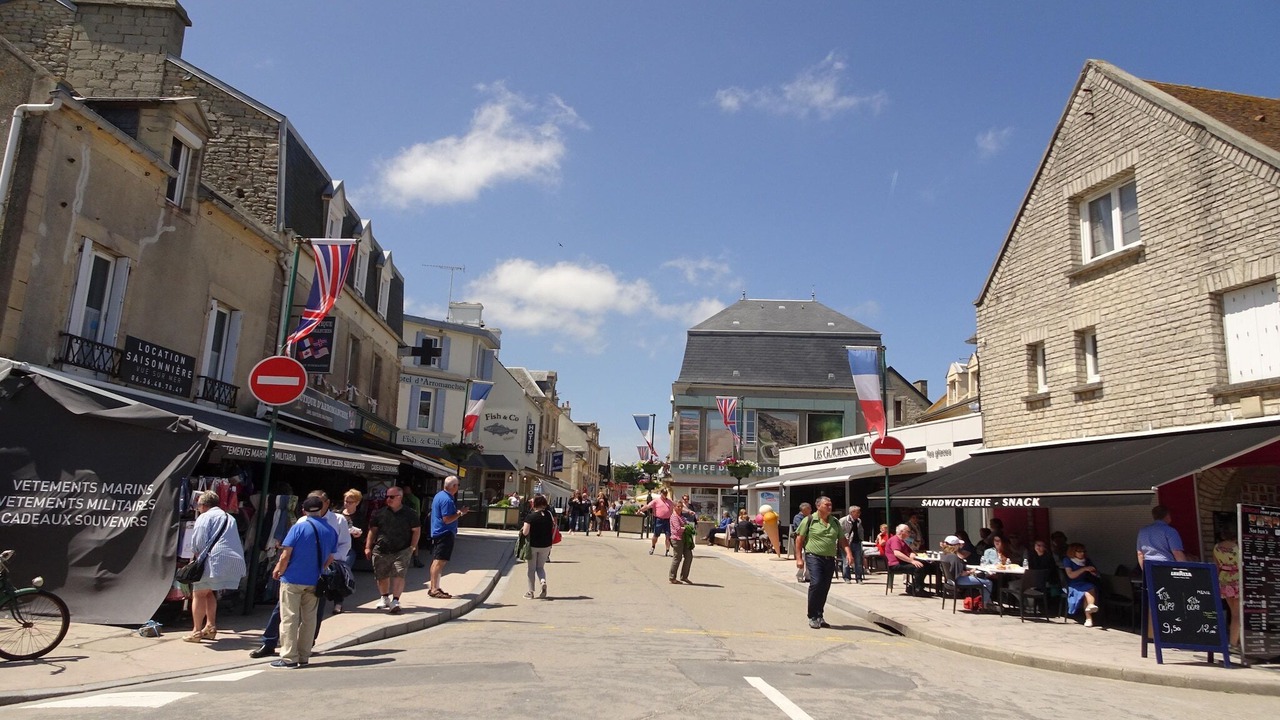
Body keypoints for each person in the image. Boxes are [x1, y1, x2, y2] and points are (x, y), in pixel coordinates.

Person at [270, 495, 337, 668]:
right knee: (309, 618)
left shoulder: (298, 528)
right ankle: (304, 655)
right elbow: (330, 558)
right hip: (314, 579)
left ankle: (289, 657)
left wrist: (279, 569)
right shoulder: (330, 530)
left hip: (292, 578)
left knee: (289, 617)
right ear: (322, 508)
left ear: (303, 510)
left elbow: (286, 554)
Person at [184, 490, 246, 643]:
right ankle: (210, 626)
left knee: (198, 593)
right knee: (210, 592)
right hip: (231, 559)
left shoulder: (205, 517)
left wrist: (195, 556)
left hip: (213, 559)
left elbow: (198, 540)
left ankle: (196, 631)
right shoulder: (229, 517)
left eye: (198, 506)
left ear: (203, 505)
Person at [794, 496, 854, 629]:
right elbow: (799, 539)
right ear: (818, 506)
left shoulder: (835, 522)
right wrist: (799, 558)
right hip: (814, 557)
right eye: (827, 505)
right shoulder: (809, 520)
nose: (830, 507)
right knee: (816, 583)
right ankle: (812, 616)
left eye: (830, 504)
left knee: (824, 587)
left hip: (830, 558)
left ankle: (820, 615)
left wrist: (849, 553)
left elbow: (842, 539)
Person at [365, 485, 420, 614]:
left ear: (400, 497)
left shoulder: (410, 513)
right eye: (387, 496)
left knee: (399, 574)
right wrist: (368, 547)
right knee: (381, 575)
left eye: (391, 497)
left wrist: (412, 547)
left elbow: (416, 531)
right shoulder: (380, 513)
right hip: (382, 549)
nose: (388, 499)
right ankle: (384, 597)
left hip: (402, 549)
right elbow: (372, 531)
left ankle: (396, 600)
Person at [429, 475, 470, 599]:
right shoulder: (447, 499)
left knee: (437, 560)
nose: (458, 487)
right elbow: (447, 519)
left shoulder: (439, 495)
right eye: (457, 485)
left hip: (439, 531)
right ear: (453, 486)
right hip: (444, 532)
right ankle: (434, 588)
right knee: (439, 561)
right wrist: (460, 513)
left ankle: (434, 586)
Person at [334, 489, 365, 613]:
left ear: (357, 503)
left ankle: (338, 603)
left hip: (349, 549)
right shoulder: (336, 513)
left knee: (343, 571)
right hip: (334, 546)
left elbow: (364, 533)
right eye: (346, 501)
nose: (347, 504)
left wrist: (358, 534)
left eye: (350, 502)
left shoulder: (359, 517)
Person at [940, 535, 992, 606]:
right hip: (959, 580)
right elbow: (961, 573)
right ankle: (985, 604)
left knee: (980, 581)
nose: (961, 546)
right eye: (959, 544)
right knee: (988, 582)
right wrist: (971, 571)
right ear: (955, 546)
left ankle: (983, 602)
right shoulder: (954, 557)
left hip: (950, 581)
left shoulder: (943, 555)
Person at [521, 494, 555, 599]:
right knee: (540, 567)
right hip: (546, 545)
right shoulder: (549, 514)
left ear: (534, 504)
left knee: (531, 569)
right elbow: (553, 526)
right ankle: (543, 581)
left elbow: (525, 532)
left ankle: (530, 592)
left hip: (533, 545)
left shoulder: (531, 516)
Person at [1213, 525, 1241, 650]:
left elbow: (1216, 566)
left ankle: (1235, 641)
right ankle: (1234, 643)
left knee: (1232, 612)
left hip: (1224, 580)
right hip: (1237, 580)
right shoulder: (1238, 548)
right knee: (1237, 614)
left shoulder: (1217, 548)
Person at [1062, 542, 1101, 628]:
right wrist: (1084, 569)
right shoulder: (1067, 560)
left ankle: (1090, 607)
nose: (1082, 553)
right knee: (1087, 589)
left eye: (1083, 551)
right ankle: (1089, 617)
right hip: (1072, 584)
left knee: (1089, 588)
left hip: (1084, 582)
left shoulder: (1086, 560)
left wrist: (1093, 571)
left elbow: (1096, 573)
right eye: (1079, 551)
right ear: (1073, 552)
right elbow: (1070, 575)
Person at [1136, 505, 1187, 569]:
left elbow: (1140, 554)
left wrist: (1145, 571)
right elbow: (1177, 552)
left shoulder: (1142, 532)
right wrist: (1186, 570)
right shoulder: (1170, 531)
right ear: (1167, 515)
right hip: (1166, 567)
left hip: (1149, 567)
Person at [885, 523, 927, 596]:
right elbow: (897, 553)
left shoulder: (902, 541)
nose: (909, 533)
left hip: (903, 563)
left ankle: (914, 587)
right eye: (908, 531)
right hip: (895, 565)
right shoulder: (895, 540)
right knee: (919, 568)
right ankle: (918, 590)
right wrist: (912, 561)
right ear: (901, 532)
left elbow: (911, 552)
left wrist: (912, 556)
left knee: (926, 565)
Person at [640, 488, 675, 556]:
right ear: (661, 493)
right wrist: (640, 510)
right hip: (659, 519)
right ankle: (653, 546)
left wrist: (688, 511)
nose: (665, 494)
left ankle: (667, 550)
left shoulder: (669, 501)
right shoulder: (656, 501)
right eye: (664, 493)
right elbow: (648, 506)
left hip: (667, 520)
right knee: (656, 535)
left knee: (668, 536)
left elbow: (677, 506)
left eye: (666, 493)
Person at [668, 500, 696, 584]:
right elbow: (678, 529)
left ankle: (684, 577)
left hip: (684, 539)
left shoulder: (681, 516)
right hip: (677, 539)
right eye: (678, 506)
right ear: (674, 507)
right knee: (677, 558)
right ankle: (672, 577)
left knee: (689, 557)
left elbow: (686, 523)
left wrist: (688, 526)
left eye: (681, 507)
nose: (680, 508)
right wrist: (686, 528)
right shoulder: (674, 517)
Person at [839, 505, 866, 584]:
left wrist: (861, 539)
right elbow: (840, 532)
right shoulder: (843, 520)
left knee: (858, 561)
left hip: (857, 543)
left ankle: (859, 578)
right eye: (857, 512)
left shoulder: (859, 520)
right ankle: (847, 577)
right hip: (846, 543)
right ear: (852, 512)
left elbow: (860, 530)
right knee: (846, 561)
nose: (859, 514)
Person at [402, 485, 425, 568]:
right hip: (412, 522)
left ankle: (412, 559)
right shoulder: (415, 499)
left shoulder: (406, 499)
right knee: (415, 541)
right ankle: (415, 559)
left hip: (407, 522)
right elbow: (418, 512)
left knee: (409, 541)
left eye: (405, 489)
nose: (404, 491)